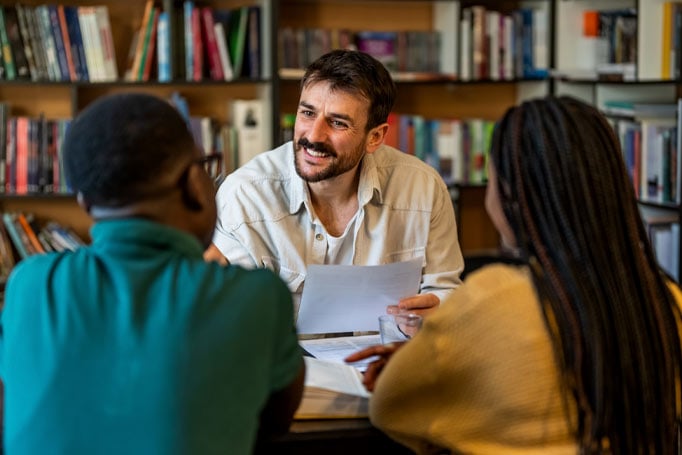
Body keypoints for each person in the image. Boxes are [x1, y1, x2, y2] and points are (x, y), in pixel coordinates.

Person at [346, 96, 682, 454]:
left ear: (509, 195)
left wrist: (415, 368)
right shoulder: (667, 302)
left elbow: (388, 408)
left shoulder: (494, 299)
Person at [0, 93, 305, 454]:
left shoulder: (30, 284)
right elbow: (274, 422)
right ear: (194, 182)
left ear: (84, 202)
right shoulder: (257, 298)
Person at [204, 49, 464, 320]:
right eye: (307, 113)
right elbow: (236, 319)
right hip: (289, 360)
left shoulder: (424, 188)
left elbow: (444, 290)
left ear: (374, 137)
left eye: (337, 123)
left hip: (389, 356)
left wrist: (431, 317)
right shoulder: (244, 197)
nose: (313, 136)